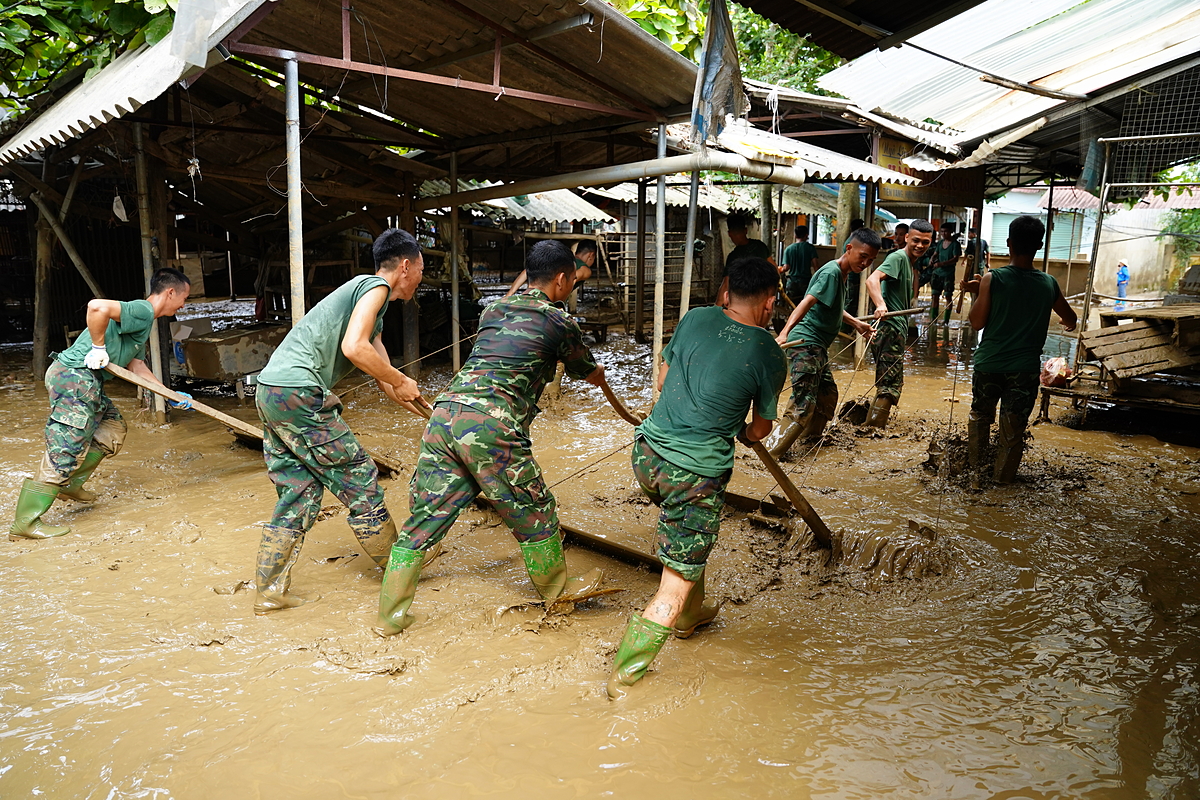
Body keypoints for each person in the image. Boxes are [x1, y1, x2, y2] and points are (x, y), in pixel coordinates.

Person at [376, 240, 612, 636]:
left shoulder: (492, 311)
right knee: (535, 509)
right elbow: (583, 370)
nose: (571, 286)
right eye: (572, 280)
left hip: (445, 417)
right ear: (561, 279)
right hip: (492, 426)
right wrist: (596, 372)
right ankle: (558, 593)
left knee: (425, 520)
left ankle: (390, 617)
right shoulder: (559, 321)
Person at [607, 256, 786, 699]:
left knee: (686, 540)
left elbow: (663, 379)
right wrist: (742, 431)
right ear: (769, 303)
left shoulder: (694, 318)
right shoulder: (768, 352)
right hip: (695, 475)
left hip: (647, 456)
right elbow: (761, 430)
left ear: (726, 291)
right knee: (674, 580)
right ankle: (623, 678)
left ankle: (690, 616)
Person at [252, 228, 429, 615]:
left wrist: (423, 408)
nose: (421, 277)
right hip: (299, 391)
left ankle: (269, 592)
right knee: (360, 477)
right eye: (421, 269)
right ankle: (399, 572)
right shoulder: (374, 287)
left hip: (272, 391)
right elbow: (354, 348)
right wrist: (400, 379)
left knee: (298, 492)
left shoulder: (371, 306)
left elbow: (384, 376)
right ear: (405, 266)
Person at [10, 268, 193, 540]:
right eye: (184, 298)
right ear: (170, 292)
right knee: (66, 445)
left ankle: (71, 484)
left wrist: (169, 394)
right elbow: (97, 307)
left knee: (113, 427)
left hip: (87, 383)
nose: (183, 305)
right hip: (75, 378)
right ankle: (25, 523)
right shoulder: (143, 310)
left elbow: (136, 366)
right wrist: (98, 347)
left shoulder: (144, 323)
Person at [961, 216, 1077, 483]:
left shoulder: (993, 279)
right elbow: (1070, 318)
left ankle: (975, 475)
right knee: (1013, 430)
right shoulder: (1048, 283)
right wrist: (1066, 323)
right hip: (1024, 370)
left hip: (989, 365)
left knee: (980, 417)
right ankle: (1002, 483)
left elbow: (977, 322)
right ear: (1039, 245)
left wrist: (979, 293)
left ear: (1008, 243)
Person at [770, 228, 881, 455]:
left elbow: (832, 307)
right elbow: (807, 302)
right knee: (803, 402)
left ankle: (808, 441)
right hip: (805, 342)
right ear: (849, 248)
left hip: (817, 346)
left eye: (871, 260)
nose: (865, 263)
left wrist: (857, 324)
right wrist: (784, 333)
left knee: (827, 395)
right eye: (863, 257)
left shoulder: (842, 273)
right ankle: (771, 454)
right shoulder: (831, 273)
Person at [863, 219, 934, 428]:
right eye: (916, 240)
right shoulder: (897, 257)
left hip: (895, 329)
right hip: (890, 329)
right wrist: (880, 304)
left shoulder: (908, 262)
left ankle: (869, 425)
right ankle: (872, 432)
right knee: (890, 384)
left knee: (887, 380)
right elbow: (872, 279)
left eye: (926, 242)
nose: (920, 245)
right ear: (907, 238)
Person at [505, 239, 596, 298]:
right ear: (591, 255)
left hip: (532, 297)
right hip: (551, 301)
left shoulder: (560, 258)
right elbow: (569, 280)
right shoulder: (585, 270)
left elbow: (527, 271)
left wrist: (509, 294)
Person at [718, 214, 773, 304]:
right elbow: (773, 268)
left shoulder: (733, 256)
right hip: (764, 296)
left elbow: (726, 284)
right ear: (746, 230)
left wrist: (716, 307)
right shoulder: (760, 246)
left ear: (729, 234)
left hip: (745, 300)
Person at [928, 224, 962, 325]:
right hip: (937, 273)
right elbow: (935, 253)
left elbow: (955, 258)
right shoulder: (940, 243)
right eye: (942, 231)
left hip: (948, 274)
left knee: (948, 296)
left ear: (951, 231)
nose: (943, 234)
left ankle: (946, 320)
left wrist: (942, 264)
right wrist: (932, 259)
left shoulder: (955, 244)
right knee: (935, 295)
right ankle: (933, 319)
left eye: (946, 231)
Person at [781, 225, 819, 305]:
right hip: (805, 283)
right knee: (805, 306)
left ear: (795, 235)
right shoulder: (810, 248)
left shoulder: (788, 249)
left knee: (792, 306)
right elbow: (816, 267)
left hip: (792, 283)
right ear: (806, 235)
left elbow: (786, 267)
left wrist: (779, 269)